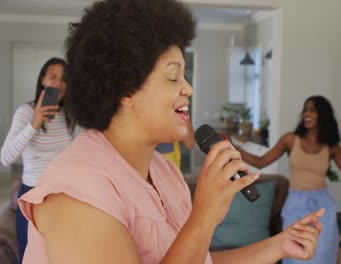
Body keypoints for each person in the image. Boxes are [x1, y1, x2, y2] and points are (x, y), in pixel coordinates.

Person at [18, 0, 324, 263]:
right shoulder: (76, 194)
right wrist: (203, 216)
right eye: (173, 77)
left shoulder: (164, 172)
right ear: (125, 89)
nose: (188, 88)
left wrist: (279, 245)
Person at [235, 95, 341, 264]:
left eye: (312, 110)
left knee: (321, 257)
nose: (306, 113)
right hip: (295, 204)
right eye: (305, 109)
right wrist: (234, 148)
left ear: (322, 115)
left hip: (323, 209)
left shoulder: (331, 147)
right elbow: (261, 162)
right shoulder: (290, 140)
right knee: (295, 256)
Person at [0, 57, 75, 262]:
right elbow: (6, 158)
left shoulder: (67, 116)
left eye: (64, 79)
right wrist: (34, 123)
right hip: (33, 197)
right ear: (42, 80)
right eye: (53, 77)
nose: (59, 83)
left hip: (61, 197)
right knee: (30, 257)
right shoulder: (25, 112)